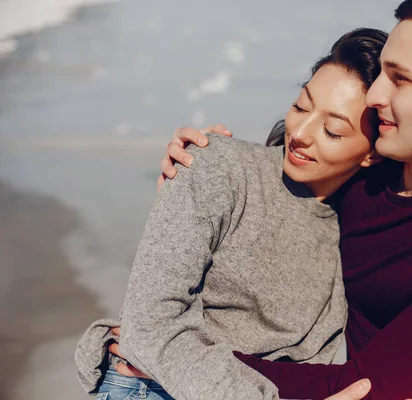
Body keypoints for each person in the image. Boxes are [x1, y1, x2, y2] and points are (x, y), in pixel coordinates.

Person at [113, 0, 412, 399]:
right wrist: (205, 165)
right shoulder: (371, 178)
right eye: (381, 73)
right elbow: (289, 177)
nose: (376, 95)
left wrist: (176, 357)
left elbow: (358, 388)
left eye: (400, 79)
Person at [74, 28, 388, 400]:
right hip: (152, 389)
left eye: (333, 130)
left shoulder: (363, 223)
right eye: (301, 106)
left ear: (373, 152)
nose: (300, 132)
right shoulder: (216, 164)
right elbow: (150, 325)